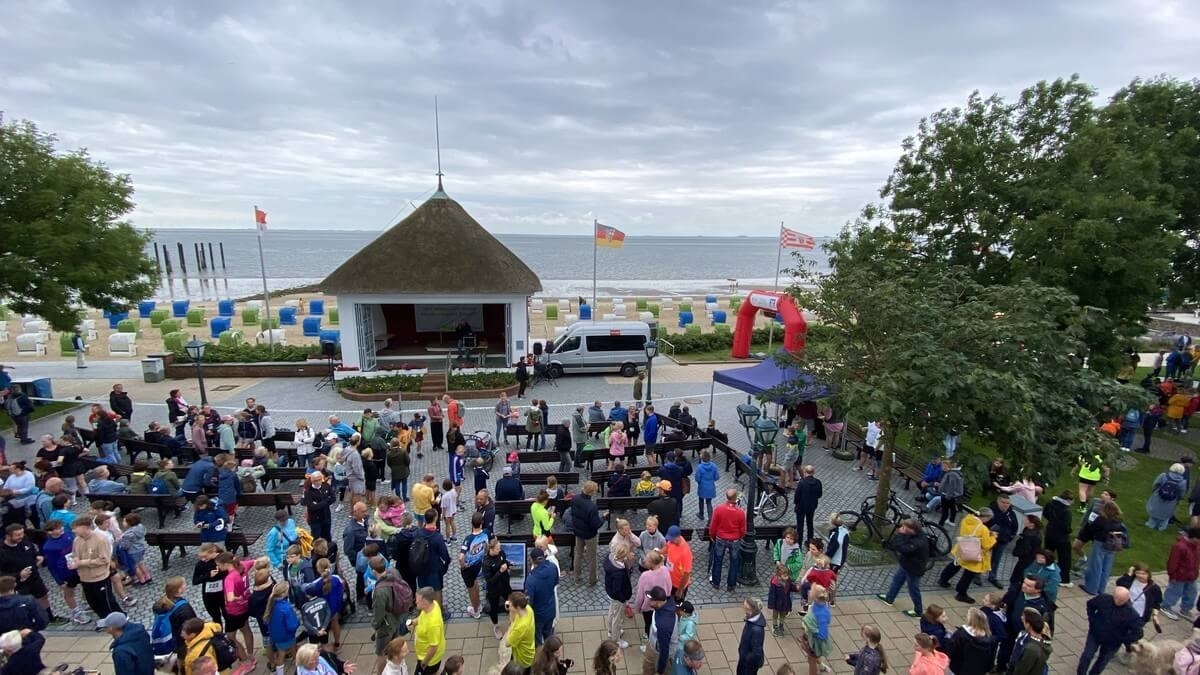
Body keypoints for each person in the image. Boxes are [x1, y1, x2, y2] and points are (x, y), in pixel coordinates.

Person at [1077, 586, 1143, 675]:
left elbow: (1138, 633)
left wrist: (1121, 639)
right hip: (1095, 634)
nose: (1117, 601)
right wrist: (1092, 620)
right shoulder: (1103, 599)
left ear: (1127, 599)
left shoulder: (1131, 614)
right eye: (1116, 598)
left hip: (1112, 643)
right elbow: (1090, 605)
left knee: (1102, 661)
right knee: (1087, 656)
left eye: (1121, 600)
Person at [936, 507, 996, 604]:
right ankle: (961, 593)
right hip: (973, 552)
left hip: (962, 547)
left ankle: (943, 579)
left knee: (956, 564)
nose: (988, 521)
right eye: (989, 518)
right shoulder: (983, 528)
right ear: (985, 517)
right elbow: (986, 545)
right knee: (969, 573)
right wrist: (993, 537)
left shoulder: (967, 520)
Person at [877, 518, 929, 617]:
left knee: (913, 589)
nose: (902, 528)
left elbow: (903, 549)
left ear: (911, 529)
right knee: (897, 580)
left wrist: (900, 534)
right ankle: (889, 598)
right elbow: (897, 545)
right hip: (906, 564)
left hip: (914, 568)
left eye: (904, 527)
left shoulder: (918, 542)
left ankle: (918, 611)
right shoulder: (913, 534)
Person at [70, 518, 120, 622]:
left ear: (85, 528)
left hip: (99, 577)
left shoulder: (100, 539)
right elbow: (75, 554)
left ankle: (119, 618)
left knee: (107, 601)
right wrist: (74, 561)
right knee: (92, 601)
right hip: (85, 578)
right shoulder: (77, 540)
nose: (73, 531)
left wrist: (82, 563)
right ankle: (103, 619)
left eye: (76, 528)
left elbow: (104, 560)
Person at [1076, 501, 1128, 596]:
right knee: (1106, 568)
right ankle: (1101, 588)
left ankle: (1091, 588)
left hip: (1100, 543)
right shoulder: (1118, 520)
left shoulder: (1101, 519)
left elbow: (1091, 529)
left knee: (1096, 566)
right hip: (1112, 545)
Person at [707, 488, 747, 592]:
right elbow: (743, 529)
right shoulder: (740, 512)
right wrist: (740, 537)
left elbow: (713, 525)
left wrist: (712, 535)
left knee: (718, 560)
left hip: (721, 538)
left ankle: (716, 582)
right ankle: (731, 585)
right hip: (735, 539)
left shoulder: (719, 509)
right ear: (735, 498)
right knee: (734, 562)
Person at [1162, 526, 1200, 620]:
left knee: (1192, 593)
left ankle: (1185, 609)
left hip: (1191, 575)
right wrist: (1172, 574)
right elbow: (1172, 562)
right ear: (1194, 538)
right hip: (1179, 576)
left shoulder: (1196, 547)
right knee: (1174, 591)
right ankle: (1165, 606)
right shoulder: (1179, 546)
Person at [526, 547, 559, 646]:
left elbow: (529, 602)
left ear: (532, 560)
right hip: (551, 609)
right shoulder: (553, 567)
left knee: (537, 638)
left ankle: (540, 653)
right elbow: (556, 582)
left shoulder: (531, 580)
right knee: (549, 635)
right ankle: (550, 652)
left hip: (538, 614)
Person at [458, 512, 489, 619]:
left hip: (469, 568)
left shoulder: (468, 539)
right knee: (475, 584)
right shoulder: (486, 533)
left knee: (471, 589)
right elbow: (488, 546)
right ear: (482, 523)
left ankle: (475, 611)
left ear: (471, 523)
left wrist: (463, 565)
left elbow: (461, 557)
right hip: (479, 564)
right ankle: (478, 605)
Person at [1042, 491, 1074, 586]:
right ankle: (1064, 580)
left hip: (1050, 532)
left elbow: (1045, 513)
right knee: (1064, 559)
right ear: (1068, 500)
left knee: (1048, 554)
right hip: (1062, 538)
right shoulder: (1066, 511)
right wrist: (1070, 531)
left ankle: (1043, 573)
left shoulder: (1051, 503)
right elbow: (1066, 527)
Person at [1147, 462, 1188, 531]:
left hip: (1159, 496)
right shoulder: (1183, 482)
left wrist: (1154, 491)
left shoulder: (1163, 475)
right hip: (1172, 500)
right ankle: (1162, 527)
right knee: (1166, 513)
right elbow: (1182, 493)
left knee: (1155, 509)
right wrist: (1178, 499)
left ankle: (1151, 524)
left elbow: (1155, 484)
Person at [505, 590, 536, 670]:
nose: (509, 604)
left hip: (522, 659)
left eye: (511, 604)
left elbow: (507, 643)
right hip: (529, 651)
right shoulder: (528, 609)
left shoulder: (520, 628)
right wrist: (511, 610)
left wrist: (511, 626)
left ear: (518, 607)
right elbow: (514, 619)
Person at [937, 460, 965, 526]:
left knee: (945, 511)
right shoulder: (955, 473)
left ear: (949, 466)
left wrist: (948, 496)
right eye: (942, 466)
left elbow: (952, 486)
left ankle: (940, 525)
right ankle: (951, 521)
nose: (943, 467)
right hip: (952, 495)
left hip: (947, 495)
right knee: (952, 508)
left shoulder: (952, 474)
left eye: (945, 466)